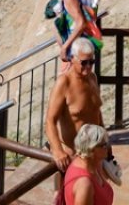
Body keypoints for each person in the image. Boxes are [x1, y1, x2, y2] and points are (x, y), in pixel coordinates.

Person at [45, 38, 106, 185]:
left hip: (94, 154)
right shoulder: (64, 83)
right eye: (84, 62)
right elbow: (50, 121)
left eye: (91, 62)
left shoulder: (92, 78)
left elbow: (96, 111)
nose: (88, 67)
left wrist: (105, 142)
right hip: (73, 156)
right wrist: (58, 151)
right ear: (72, 59)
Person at [44, 0, 102, 65]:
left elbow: (81, 23)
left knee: (69, 80)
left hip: (77, 51)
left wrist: (65, 47)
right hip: (81, 48)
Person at [65, 123, 116, 205]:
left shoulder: (92, 164)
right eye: (104, 145)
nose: (108, 147)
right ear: (92, 150)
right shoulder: (84, 185)